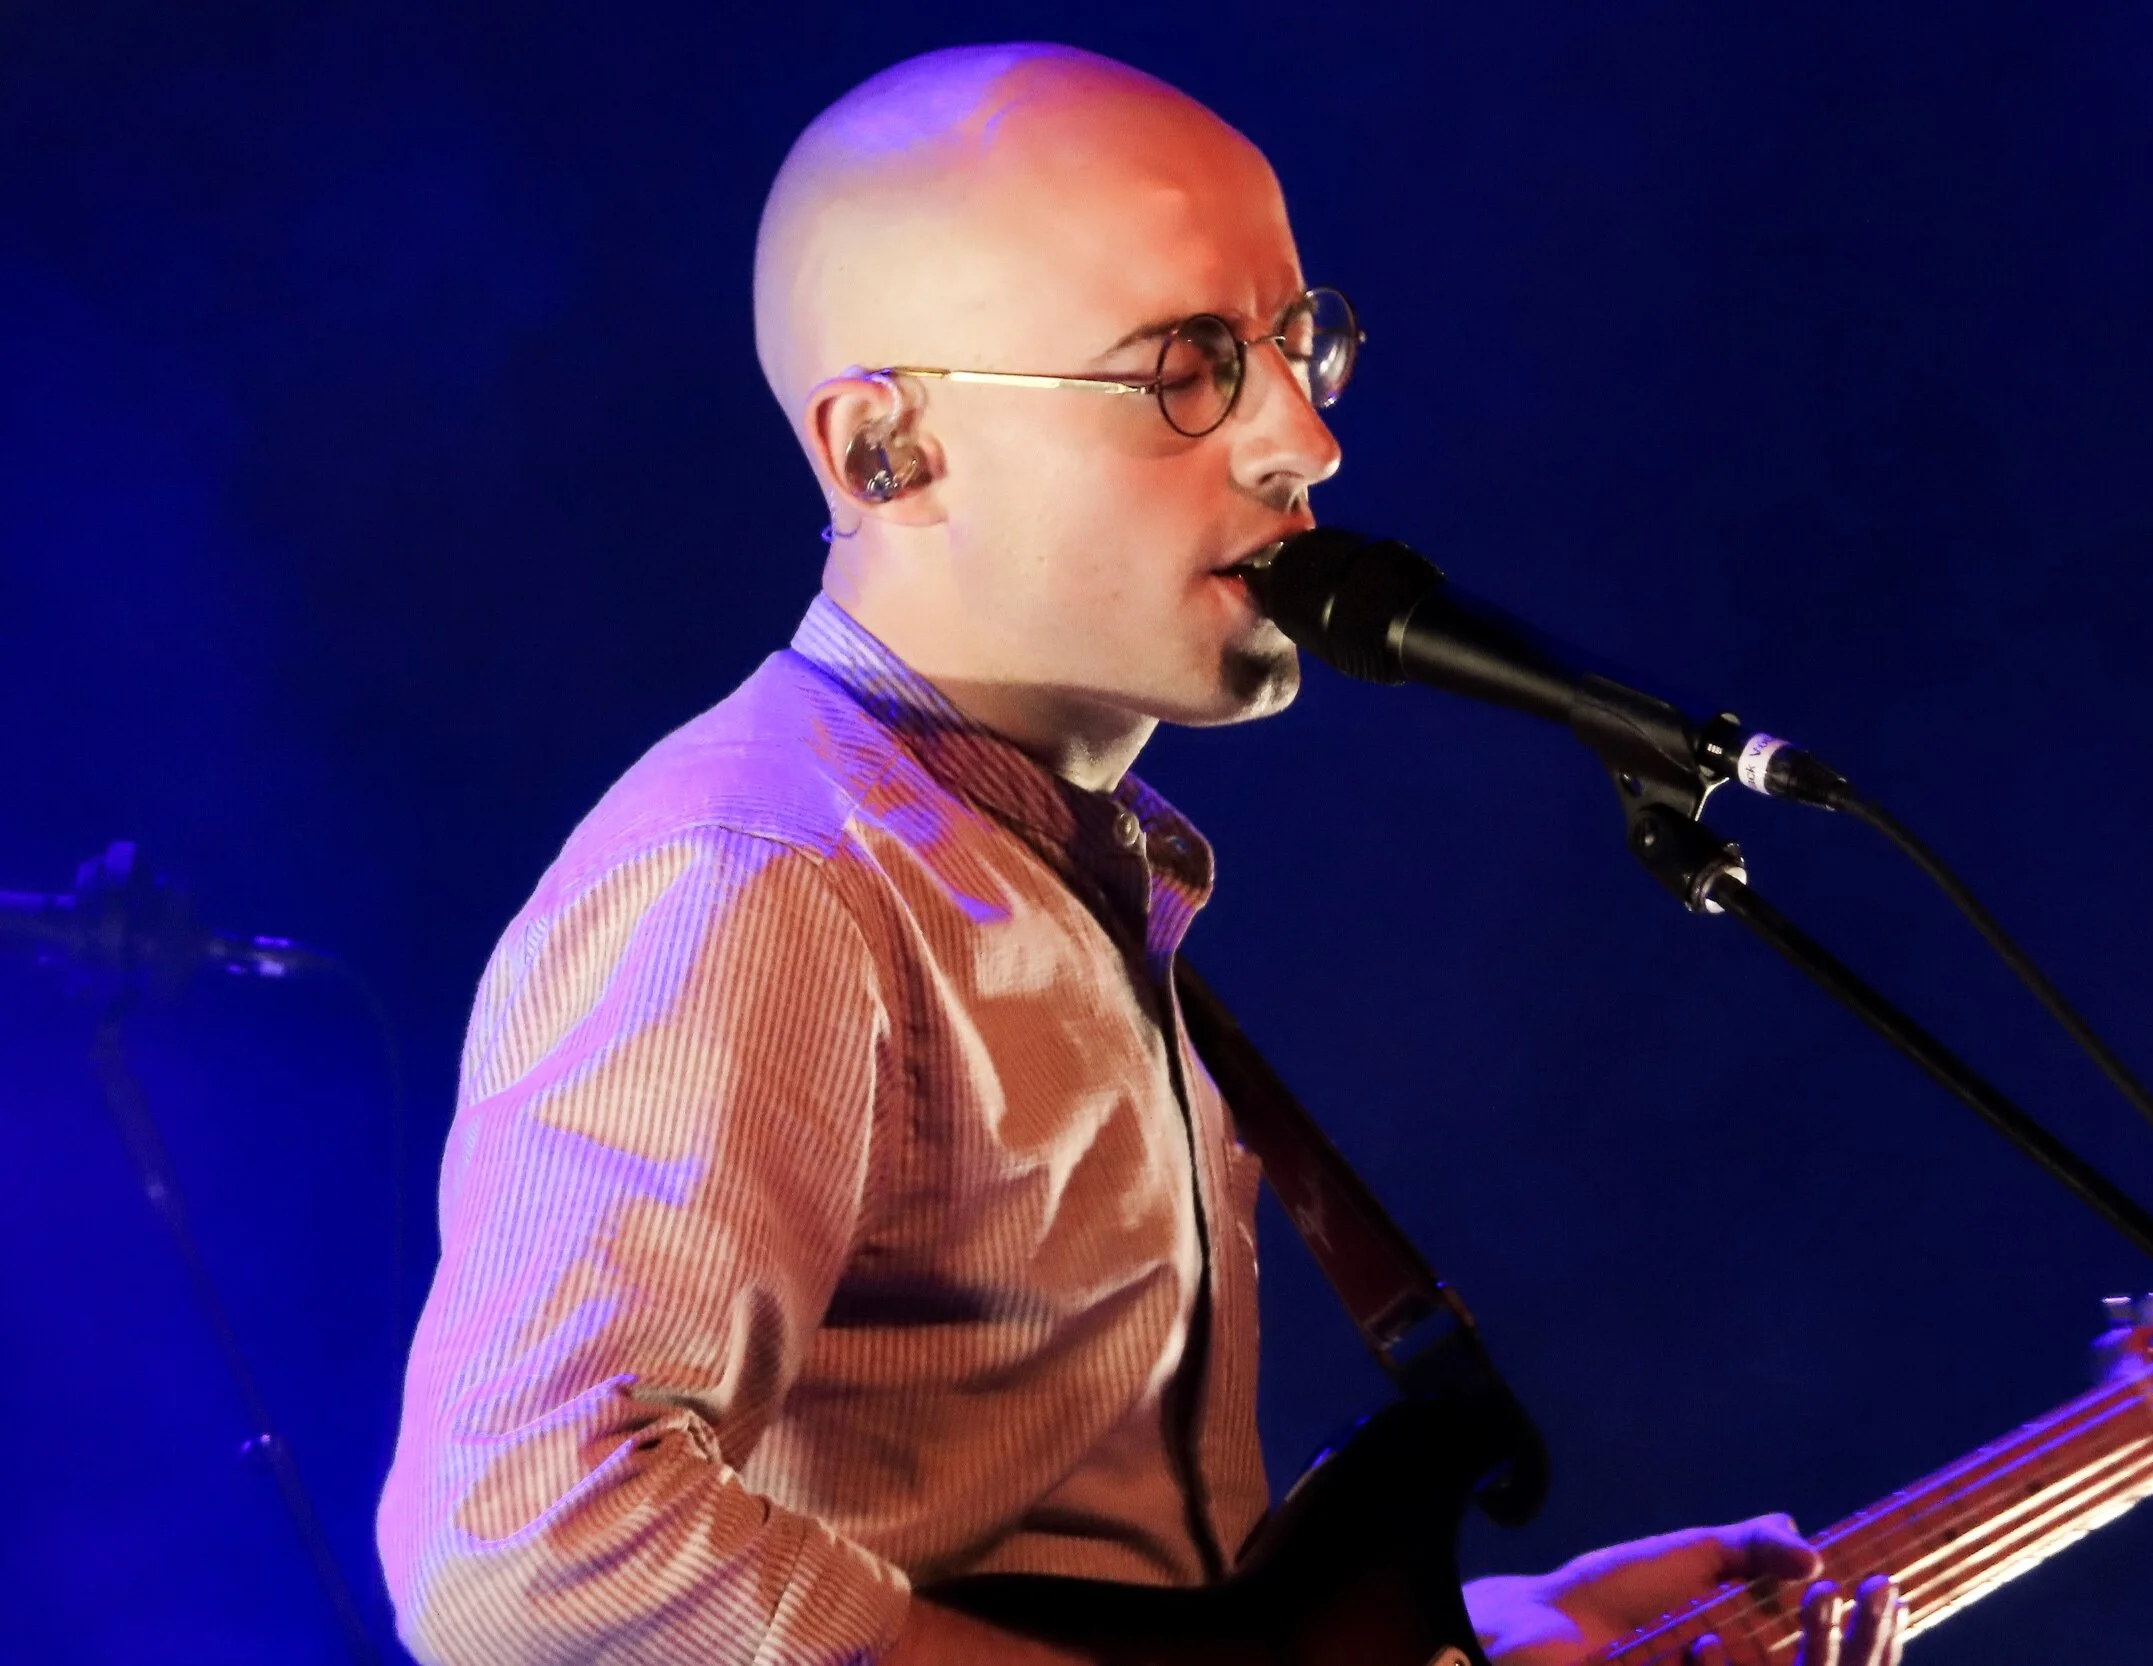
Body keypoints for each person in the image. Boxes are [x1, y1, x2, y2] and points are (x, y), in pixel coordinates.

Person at [376, 42, 1907, 1666]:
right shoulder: (763, 873)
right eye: (1189, 366)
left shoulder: (1063, 868)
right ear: (885, 449)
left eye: (1300, 346)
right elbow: (523, 1544)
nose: (1303, 439)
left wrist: (1508, 1635)